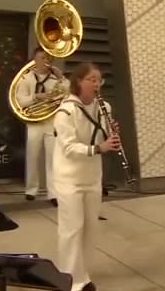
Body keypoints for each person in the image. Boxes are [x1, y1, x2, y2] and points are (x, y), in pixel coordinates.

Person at [53, 62, 120, 291]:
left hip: (92, 176)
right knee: (71, 229)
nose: (96, 84)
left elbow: (100, 134)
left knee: (91, 227)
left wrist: (111, 133)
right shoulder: (65, 111)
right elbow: (69, 148)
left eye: (99, 79)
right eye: (91, 79)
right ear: (78, 82)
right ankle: (70, 279)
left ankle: (83, 275)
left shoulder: (104, 107)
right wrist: (99, 149)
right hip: (69, 178)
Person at [15, 46, 67, 204]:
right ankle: (31, 190)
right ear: (34, 60)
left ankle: (53, 193)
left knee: (53, 159)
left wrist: (62, 78)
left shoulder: (54, 79)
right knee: (32, 157)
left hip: (51, 123)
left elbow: (69, 93)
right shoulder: (26, 79)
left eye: (47, 58)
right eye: (41, 58)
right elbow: (20, 101)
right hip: (34, 123)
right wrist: (36, 97)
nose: (45, 61)